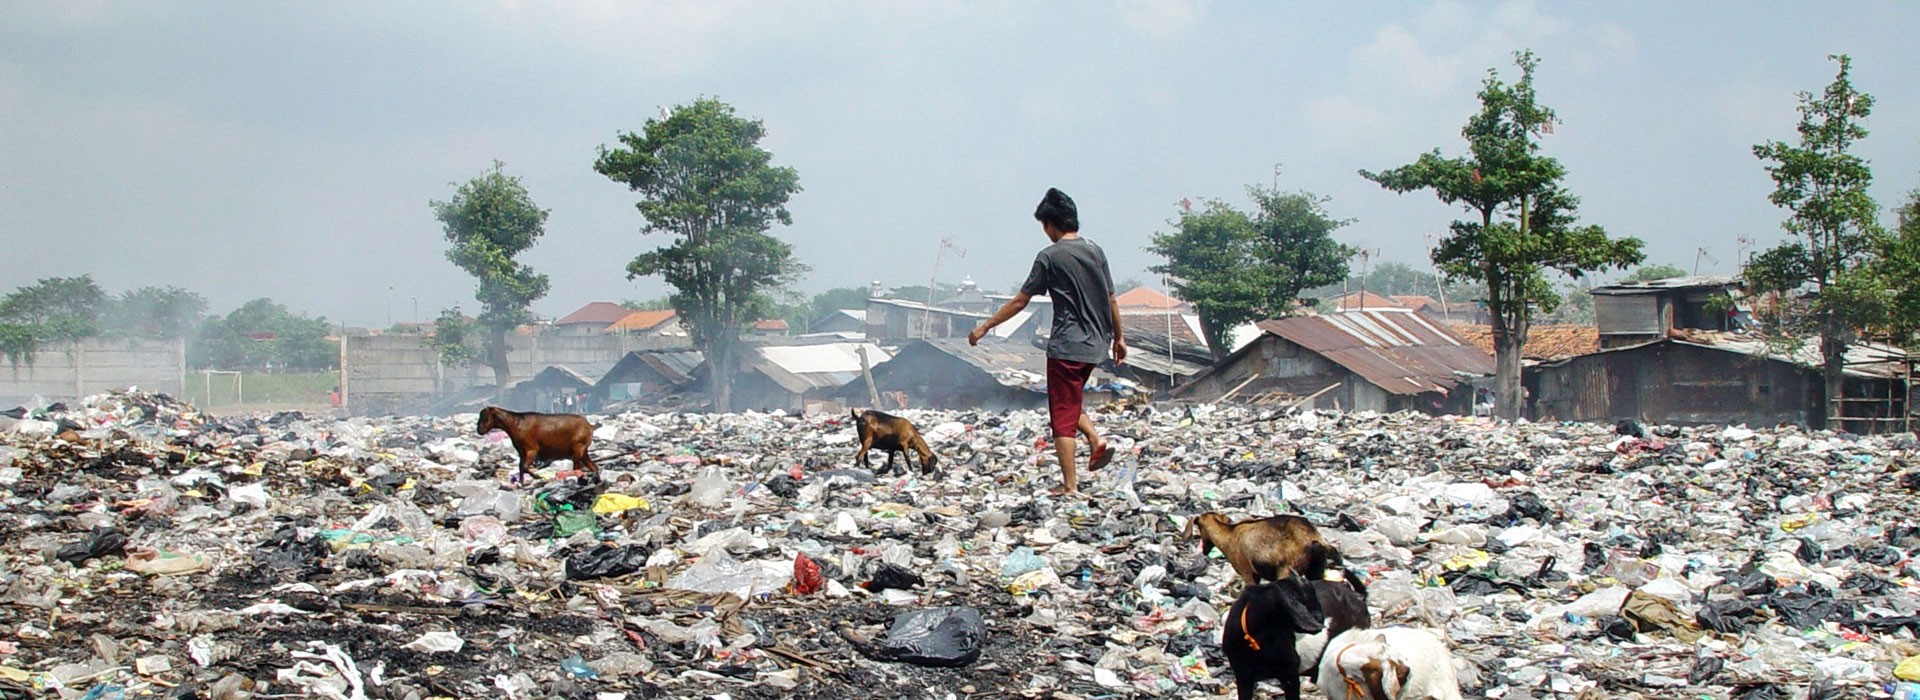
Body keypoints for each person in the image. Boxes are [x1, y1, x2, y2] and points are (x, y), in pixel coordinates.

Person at [969, 187, 1125, 495]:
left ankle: (1070, 486)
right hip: (1096, 344)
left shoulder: (1049, 257)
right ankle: (1096, 440)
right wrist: (1119, 338)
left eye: (1045, 226)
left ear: (1051, 224)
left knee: (1061, 419)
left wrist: (985, 327)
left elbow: (1020, 301)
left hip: (1067, 345)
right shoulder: (1095, 250)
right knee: (1067, 401)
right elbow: (1111, 300)